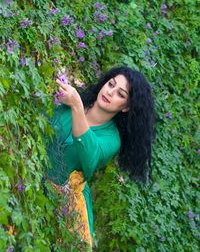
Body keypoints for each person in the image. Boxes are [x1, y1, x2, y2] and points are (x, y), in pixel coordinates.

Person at [45, 66, 155, 249]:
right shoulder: (70, 102)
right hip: (29, 174)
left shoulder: (112, 139)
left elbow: (90, 157)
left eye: (120, 94)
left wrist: (77, 107)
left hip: (61, 201)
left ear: (126, 107)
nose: (110, 92)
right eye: (110, 84)